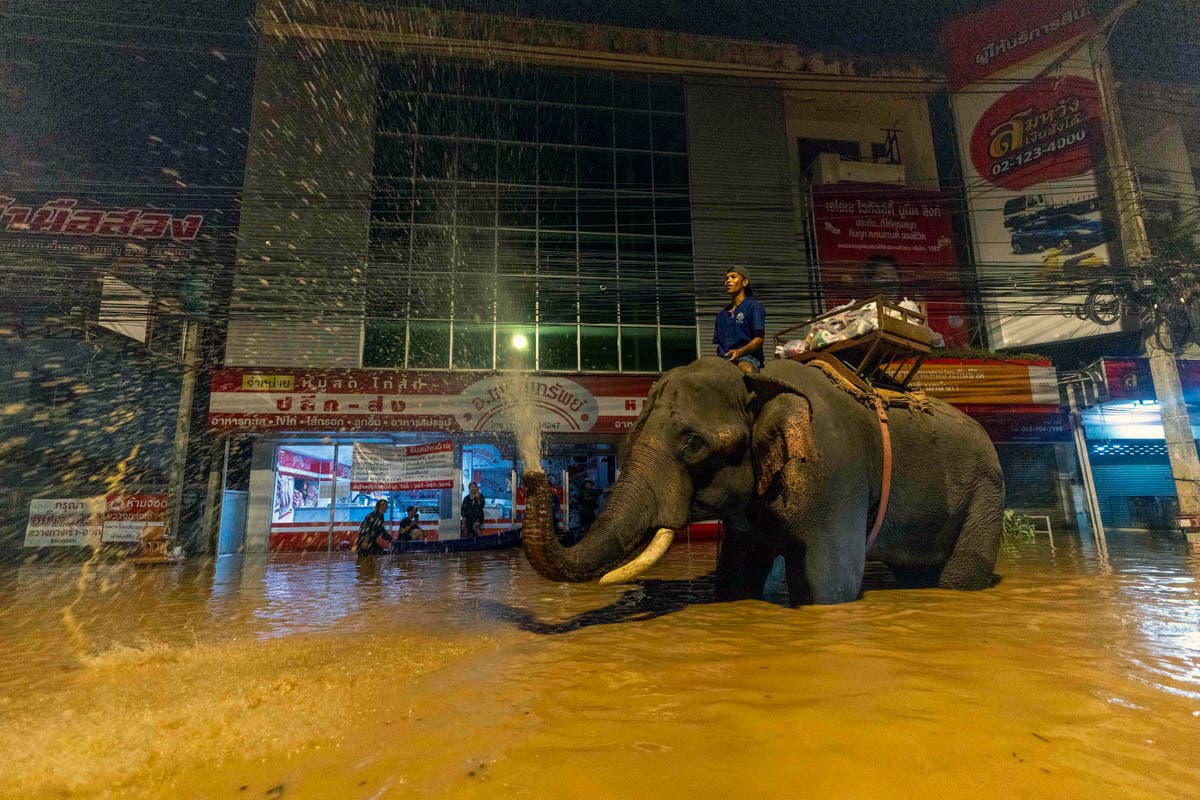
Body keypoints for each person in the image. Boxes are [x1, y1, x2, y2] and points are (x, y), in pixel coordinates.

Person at [713, 266, 765, 374]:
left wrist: (740, 352)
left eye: (733, 277)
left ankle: (756, 390)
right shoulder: (721, 315)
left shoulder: (754, 307)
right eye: (726, 279)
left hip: (747, 357)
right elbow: (720, 346)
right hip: (724, 360)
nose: (728, 281)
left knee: (746, 369)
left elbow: (759, 339)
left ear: (744, 282)